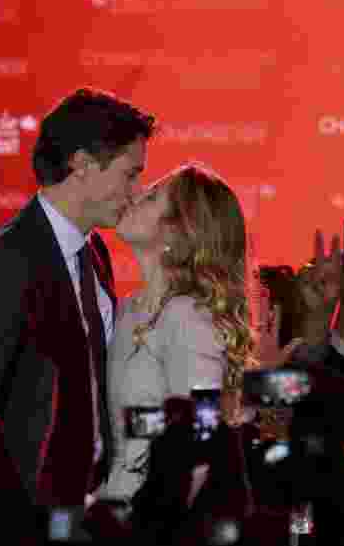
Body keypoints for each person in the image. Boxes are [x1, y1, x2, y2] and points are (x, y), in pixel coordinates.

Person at [0, 87, 155, 507]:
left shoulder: (95, 254)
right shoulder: (6, 262)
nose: (135, 190)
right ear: (81, 165)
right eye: (130, 174)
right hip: (25, 515)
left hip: (91, 505)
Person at [104, 164, 254, 501]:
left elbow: (202, 437)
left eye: (153, 196)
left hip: (156, 528)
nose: (136, 195)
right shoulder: (129, 309)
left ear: (176, 233)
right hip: (114, 513)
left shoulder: (187, 317)